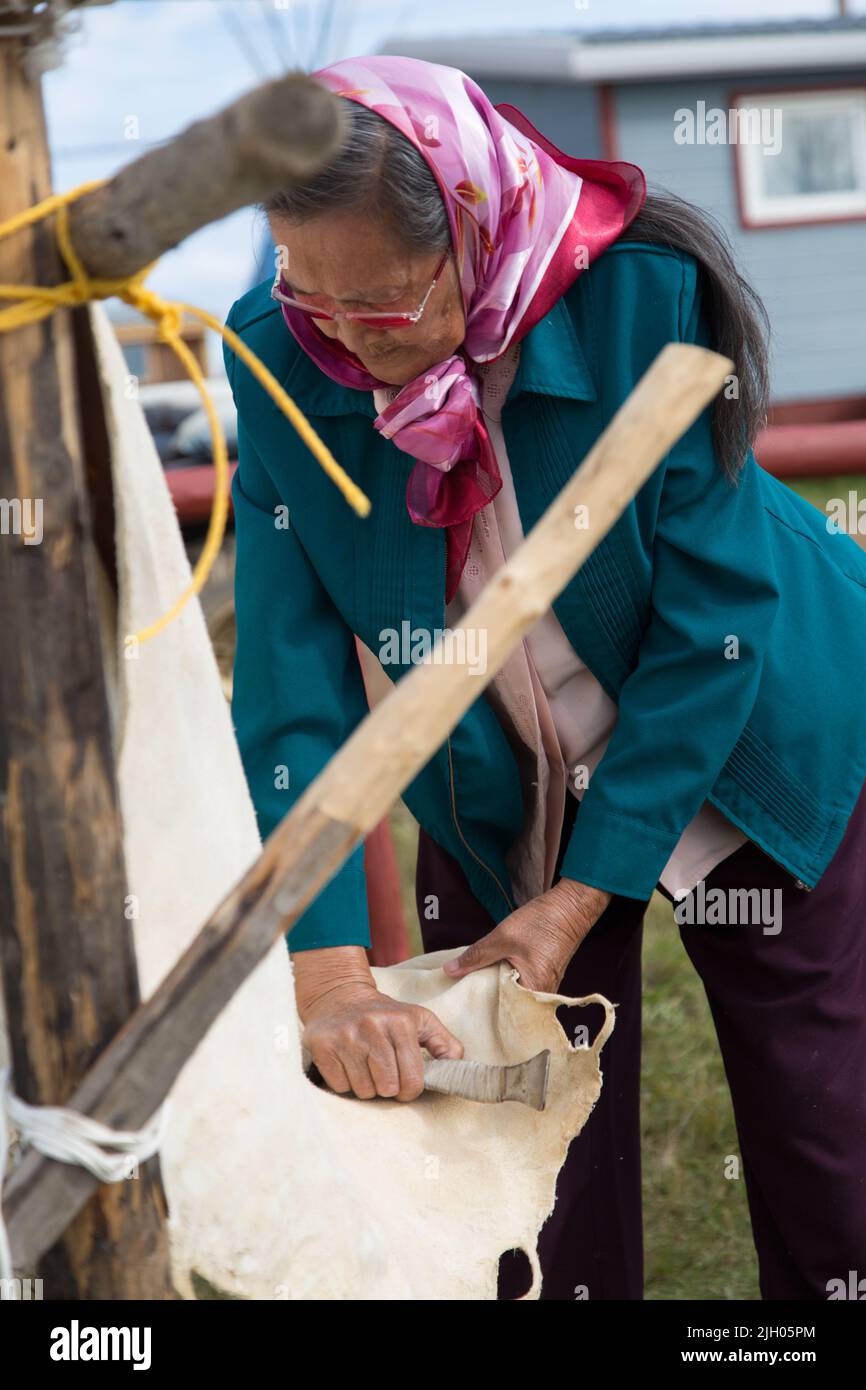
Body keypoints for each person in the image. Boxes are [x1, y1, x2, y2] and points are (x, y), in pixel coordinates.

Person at [223, 54, 866, 1300]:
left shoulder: (640, 296)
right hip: (496, 769)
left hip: (742, 722)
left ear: (468, 226)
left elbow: (710, 626)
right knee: (510, 1133)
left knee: (818, 1125)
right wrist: (330, 969)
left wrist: (576, 902)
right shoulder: (283, 360)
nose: (350, 347)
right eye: (315, 301)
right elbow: (293, 683)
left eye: (387, 307)